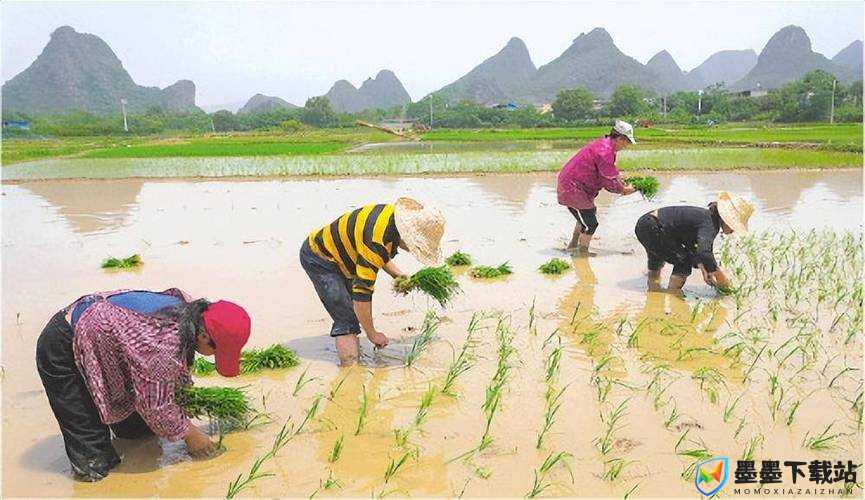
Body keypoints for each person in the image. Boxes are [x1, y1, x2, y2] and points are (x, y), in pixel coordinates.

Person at [35, 288, 251, 482]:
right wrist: (192, 435)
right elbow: (156, 406)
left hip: (110, 346)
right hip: (63, 347)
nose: (214, 356)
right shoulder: (163, 344)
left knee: (140, 435)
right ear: (204, 335)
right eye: (216, 351)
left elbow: (161, 382)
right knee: (94, 463)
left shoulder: (193, 314)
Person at [300, 197, 444, 366]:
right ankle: (350, 373)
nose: (412, 250)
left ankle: (353, 358)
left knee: (351, 312)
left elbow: (378, 254)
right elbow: (362, 296)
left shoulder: (390, 218)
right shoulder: (376, 241)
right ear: (407, 235)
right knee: (346, 319)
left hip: (343, 257)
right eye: (415, 246)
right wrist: (372, 334)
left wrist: (399, 276)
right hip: (320, 259)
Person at [634, 192, 755, 292]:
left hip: (647, 224)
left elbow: (693, 246)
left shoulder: (706, 217)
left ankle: (653, 289)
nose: (734, 230)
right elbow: (704, 252)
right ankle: (673, 294)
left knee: (657, 258)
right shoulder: (711, 224)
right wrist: (720, 276)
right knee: (684, 261)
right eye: (735, 225)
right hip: (653, 227)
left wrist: (704, 269)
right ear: (727, 219)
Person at [557, 120, 638, 252]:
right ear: (620, 138)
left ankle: (572, 245)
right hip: (572, 187)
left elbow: (607, 172)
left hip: (575, 185)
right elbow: (608, 180)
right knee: (591, 224)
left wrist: (619, 181)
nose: (627, 146)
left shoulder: (605, 145)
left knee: (586, 215)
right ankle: (582, 253)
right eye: (627, 142)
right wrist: (623, 189)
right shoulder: (605, 151)